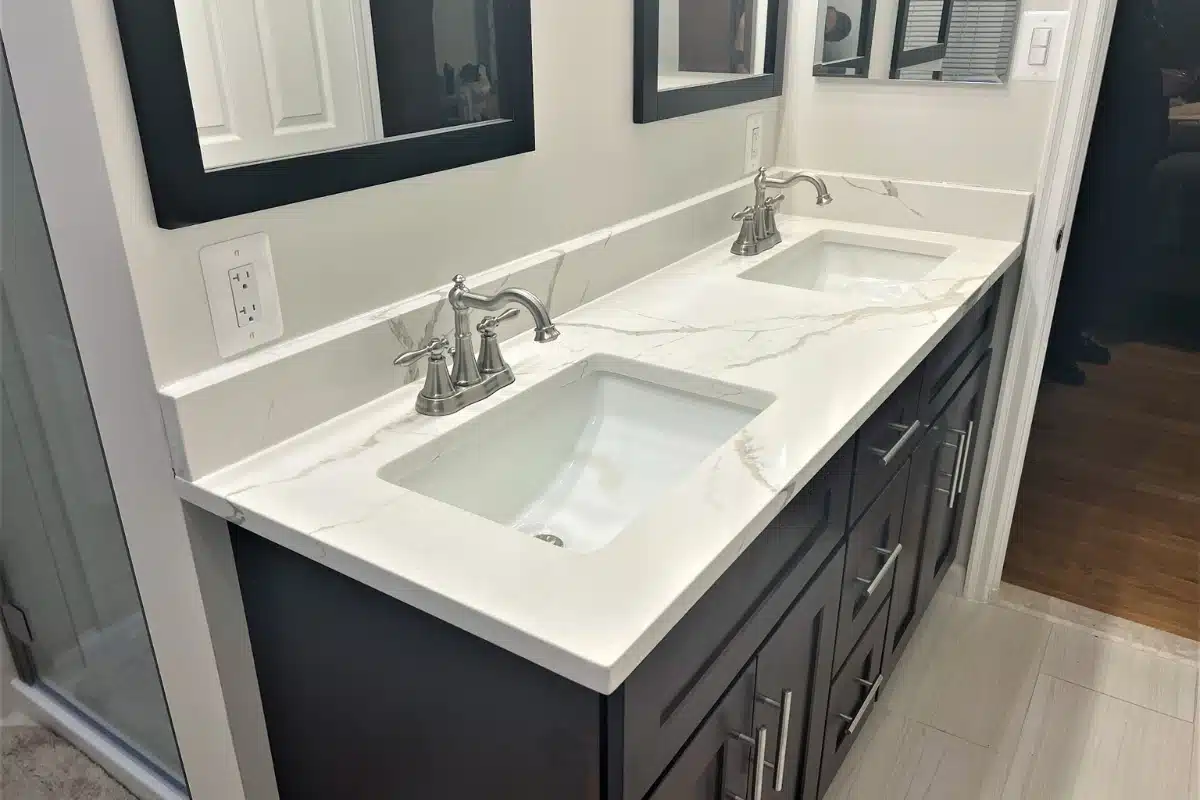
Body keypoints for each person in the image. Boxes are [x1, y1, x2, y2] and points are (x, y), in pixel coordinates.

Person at [1047, 0, 1170, 384]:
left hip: (1130, 148)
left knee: (1104, 246)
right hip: (1102, 150)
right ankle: (1054, 347)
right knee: (1082, 245)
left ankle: (1073, 332)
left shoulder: (1139, 11)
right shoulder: (1110, 15)